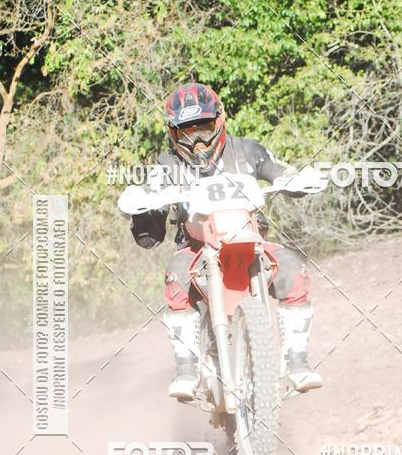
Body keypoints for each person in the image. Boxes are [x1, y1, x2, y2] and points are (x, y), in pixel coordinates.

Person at [129, 82, 322, 400]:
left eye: (203, 128)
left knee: (293, 269)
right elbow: (150, 219)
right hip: (196, 248)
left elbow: (280, 171)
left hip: (250, 242)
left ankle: (296, 362)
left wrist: (299, 178)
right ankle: (187, 368)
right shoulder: (167, 166)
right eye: (187, 132)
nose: (198, 141)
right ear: (173, 133)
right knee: (176, 276)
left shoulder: (248, 150)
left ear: (218, 121)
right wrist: (143, 208)